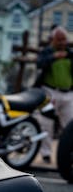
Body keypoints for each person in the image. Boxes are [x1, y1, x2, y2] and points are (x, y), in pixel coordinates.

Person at [35, 26, 73, 163]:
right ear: (53, 40)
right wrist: (53, 57)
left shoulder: (70, 53)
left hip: (68, 93)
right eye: (59, 40)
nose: (62, 43)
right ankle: (46, 153)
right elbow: (39, 64)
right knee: (46, 123)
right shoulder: (47, 52)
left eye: (64, 40)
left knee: (70, 125)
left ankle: (69, 155)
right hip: (50, 92)